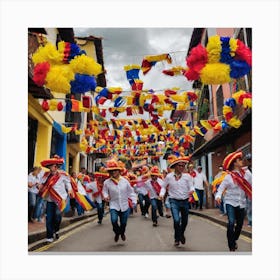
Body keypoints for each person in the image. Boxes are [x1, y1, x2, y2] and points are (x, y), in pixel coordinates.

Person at [215, 151, 252, 252]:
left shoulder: (247, 174)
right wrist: (218, 197)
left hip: (242, 203)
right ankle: (231, 246)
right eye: (239, 159)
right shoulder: (228, 177)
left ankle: (234, 239)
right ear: (234, 163)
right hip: (230, 202)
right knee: (231, 222)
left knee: (239, 225)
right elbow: (220, 189)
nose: (242, 161)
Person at [159, 155, 194, 246]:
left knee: (185, 221)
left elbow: (191, 186)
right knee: (177, 220)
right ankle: (177, 238)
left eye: (183, 166)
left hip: (185, 201)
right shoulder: (169, 177)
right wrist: (162, 194)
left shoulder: (187, 177)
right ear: (175, 167)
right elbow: (163, 187)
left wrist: (192, 190)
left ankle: (181, 234)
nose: (182, 167)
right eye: (180, 166)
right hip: (174, 201)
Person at [38, 155, 73, 243]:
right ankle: (49, 236)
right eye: (50, 166)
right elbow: (41, 184)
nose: (51, 167)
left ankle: (56, 230)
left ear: (56, 166)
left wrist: (69, 190)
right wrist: (39, 186)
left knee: (57, 217)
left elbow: (68, 184)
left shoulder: (63, 174)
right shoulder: (46, 175)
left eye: (52, 166)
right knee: (49, 218)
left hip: (60, 199)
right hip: (49, 199)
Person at [102, 159, 137, 242]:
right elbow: (104, 191)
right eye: (111, 170)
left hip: (125, 206)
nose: (113, 172)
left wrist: (134, 201)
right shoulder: (107, 182)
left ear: (119, 171)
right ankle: (117, 232)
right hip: (114, 205)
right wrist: (106, 196)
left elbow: (131, 192)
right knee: (114, 221)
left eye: (115, 170)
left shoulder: (125, 181)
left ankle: (122, 233)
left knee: (123, 223)